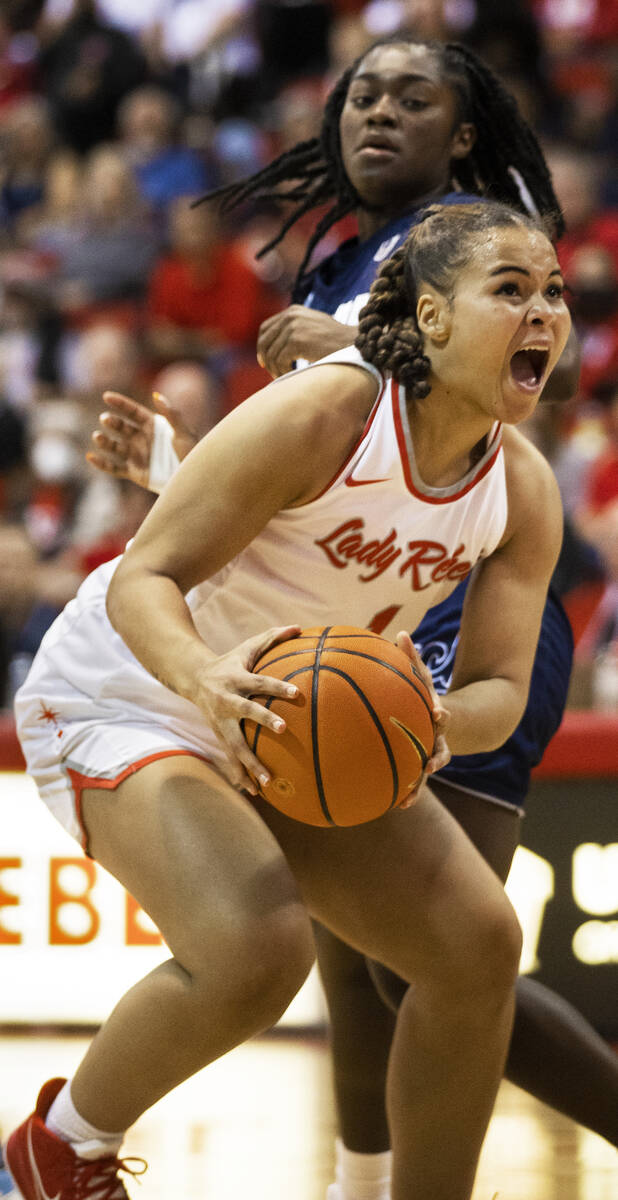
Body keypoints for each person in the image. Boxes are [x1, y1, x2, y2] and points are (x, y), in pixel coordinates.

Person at [88, 38, 618, 1192]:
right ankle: (357, 1179)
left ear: (465, 131)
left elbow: (545, 380)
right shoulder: (345, 254)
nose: (376, 113)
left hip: (464, 607)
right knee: (349, 936)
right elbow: (317, 481)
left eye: (413, 98)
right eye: (362, 94)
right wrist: (183, 469)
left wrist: (373, 352)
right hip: (365, 604)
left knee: (440, 950)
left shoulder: (483, 242)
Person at [7, 199, 570, 1200]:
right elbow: (147, 578)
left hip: (290, 715)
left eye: (555, 294)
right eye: (512, 290)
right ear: (433, 318)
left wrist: (426, 723)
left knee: (476, 944)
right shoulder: (326, 409)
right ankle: (55, 1150)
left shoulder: (522, 492)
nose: (544, 314)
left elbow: (496, 690)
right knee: (255, 947)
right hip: (135, 685)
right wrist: (204, 680)